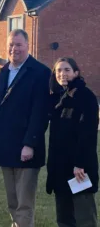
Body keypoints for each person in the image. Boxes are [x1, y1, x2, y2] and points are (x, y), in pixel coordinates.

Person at [0, 29, 51, 227]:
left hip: (26, 148)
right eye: (10, 44)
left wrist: (29, 144)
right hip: (6, 147)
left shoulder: (41, 72)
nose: (14, 49)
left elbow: (40, 112)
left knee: (24, 204)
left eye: (18, 44)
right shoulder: (4, 71)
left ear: (27, 45)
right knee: (12, 202)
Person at [46, 57, 99, 227]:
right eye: (59, 71)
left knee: (84, 217)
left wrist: (80, 164)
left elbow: (88, 134)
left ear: (76, 73)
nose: (62, 74)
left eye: (67, 70)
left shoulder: (86, 97)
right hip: (60, 168)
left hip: (79, 169)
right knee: (64, 217)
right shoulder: (57, 98)